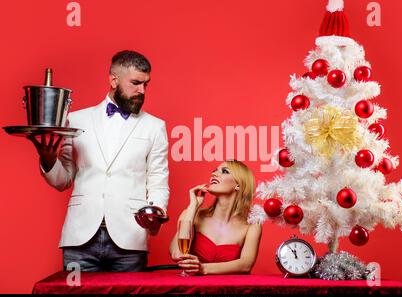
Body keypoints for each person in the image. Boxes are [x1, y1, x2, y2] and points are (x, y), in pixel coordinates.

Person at [27, 50, 170, 272]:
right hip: (80, 237)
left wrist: (155, 212)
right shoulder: (74, 120)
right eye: (135, 83)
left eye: (146, 84)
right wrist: (47, 160)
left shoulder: (154, 126)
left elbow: (158, 180)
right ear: (114, 80)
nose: (141, 91)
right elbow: (62, 180)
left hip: (130, 237)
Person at [169, 160, 262, 275]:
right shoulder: (193, 214)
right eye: (215, 171)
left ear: (238, 185)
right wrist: (193, 207)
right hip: (193, 289)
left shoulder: (253, 224)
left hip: (229, 290)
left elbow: (245, 265)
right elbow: (177, 254)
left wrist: (202, 268)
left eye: (224, 171)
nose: (214, 174)